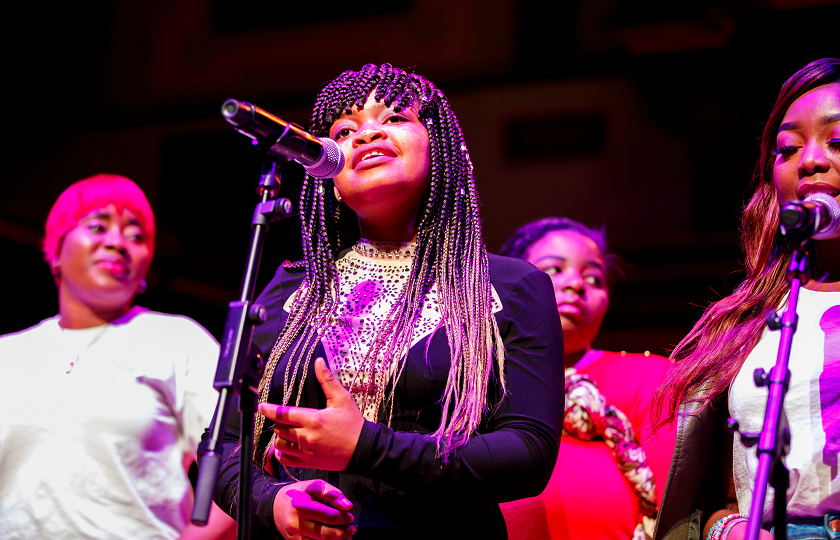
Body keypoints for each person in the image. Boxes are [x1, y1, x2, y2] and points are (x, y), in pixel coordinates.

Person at [201, 63, 564, 540]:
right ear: (326, 170)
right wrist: (274, 502)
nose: (368, 133)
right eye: (345, 130)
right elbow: (224, 445)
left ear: (440, 147)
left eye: (393, 118)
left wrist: (365, 446)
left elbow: (528, 454)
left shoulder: (511, 287)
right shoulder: (292, 291)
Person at [653, 57, 840, 540]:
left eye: (838, 141)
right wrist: (729, 530)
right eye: (788, 148)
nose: (811, 160)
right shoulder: (749, 322)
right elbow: (720, 497)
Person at [0, 174, 235, 540]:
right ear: (55, 249)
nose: (117, 243)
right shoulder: (8, 354)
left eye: (136, 235)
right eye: (97, 226)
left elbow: (240, 467)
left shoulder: (179, 340)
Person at [497, 217, 675, 540]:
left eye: (594, 279)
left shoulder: (649, 376)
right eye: (553, 269)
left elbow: (675, 504)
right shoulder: (473, 382)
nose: (576, 284)